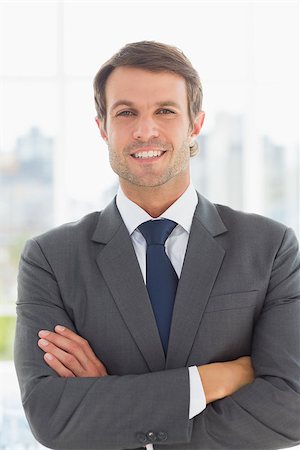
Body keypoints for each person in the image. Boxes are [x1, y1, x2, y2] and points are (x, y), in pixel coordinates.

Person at [14, 41, 300, 450]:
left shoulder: (270, 247)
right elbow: (51, 416)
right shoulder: (51, 258)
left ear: (195, 124)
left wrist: (116, 411)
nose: (145, 130)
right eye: (126, 112)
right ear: (102, 127)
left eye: (165, 111)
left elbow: (290, 408)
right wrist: (212, 379)